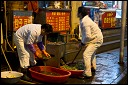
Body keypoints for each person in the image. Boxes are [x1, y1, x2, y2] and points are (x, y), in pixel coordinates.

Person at [77, 6, 103, 78]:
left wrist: (82, 43)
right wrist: (83, 42)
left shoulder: (85, 21)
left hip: (96, 40)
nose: (77, 14)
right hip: (96, 38)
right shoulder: (85, 19)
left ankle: (87, 73)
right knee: (91, 53)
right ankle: (93, 67)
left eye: (78, 12)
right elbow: (87, 35)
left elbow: (87, 35)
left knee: (86, 54)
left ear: (80, 13)